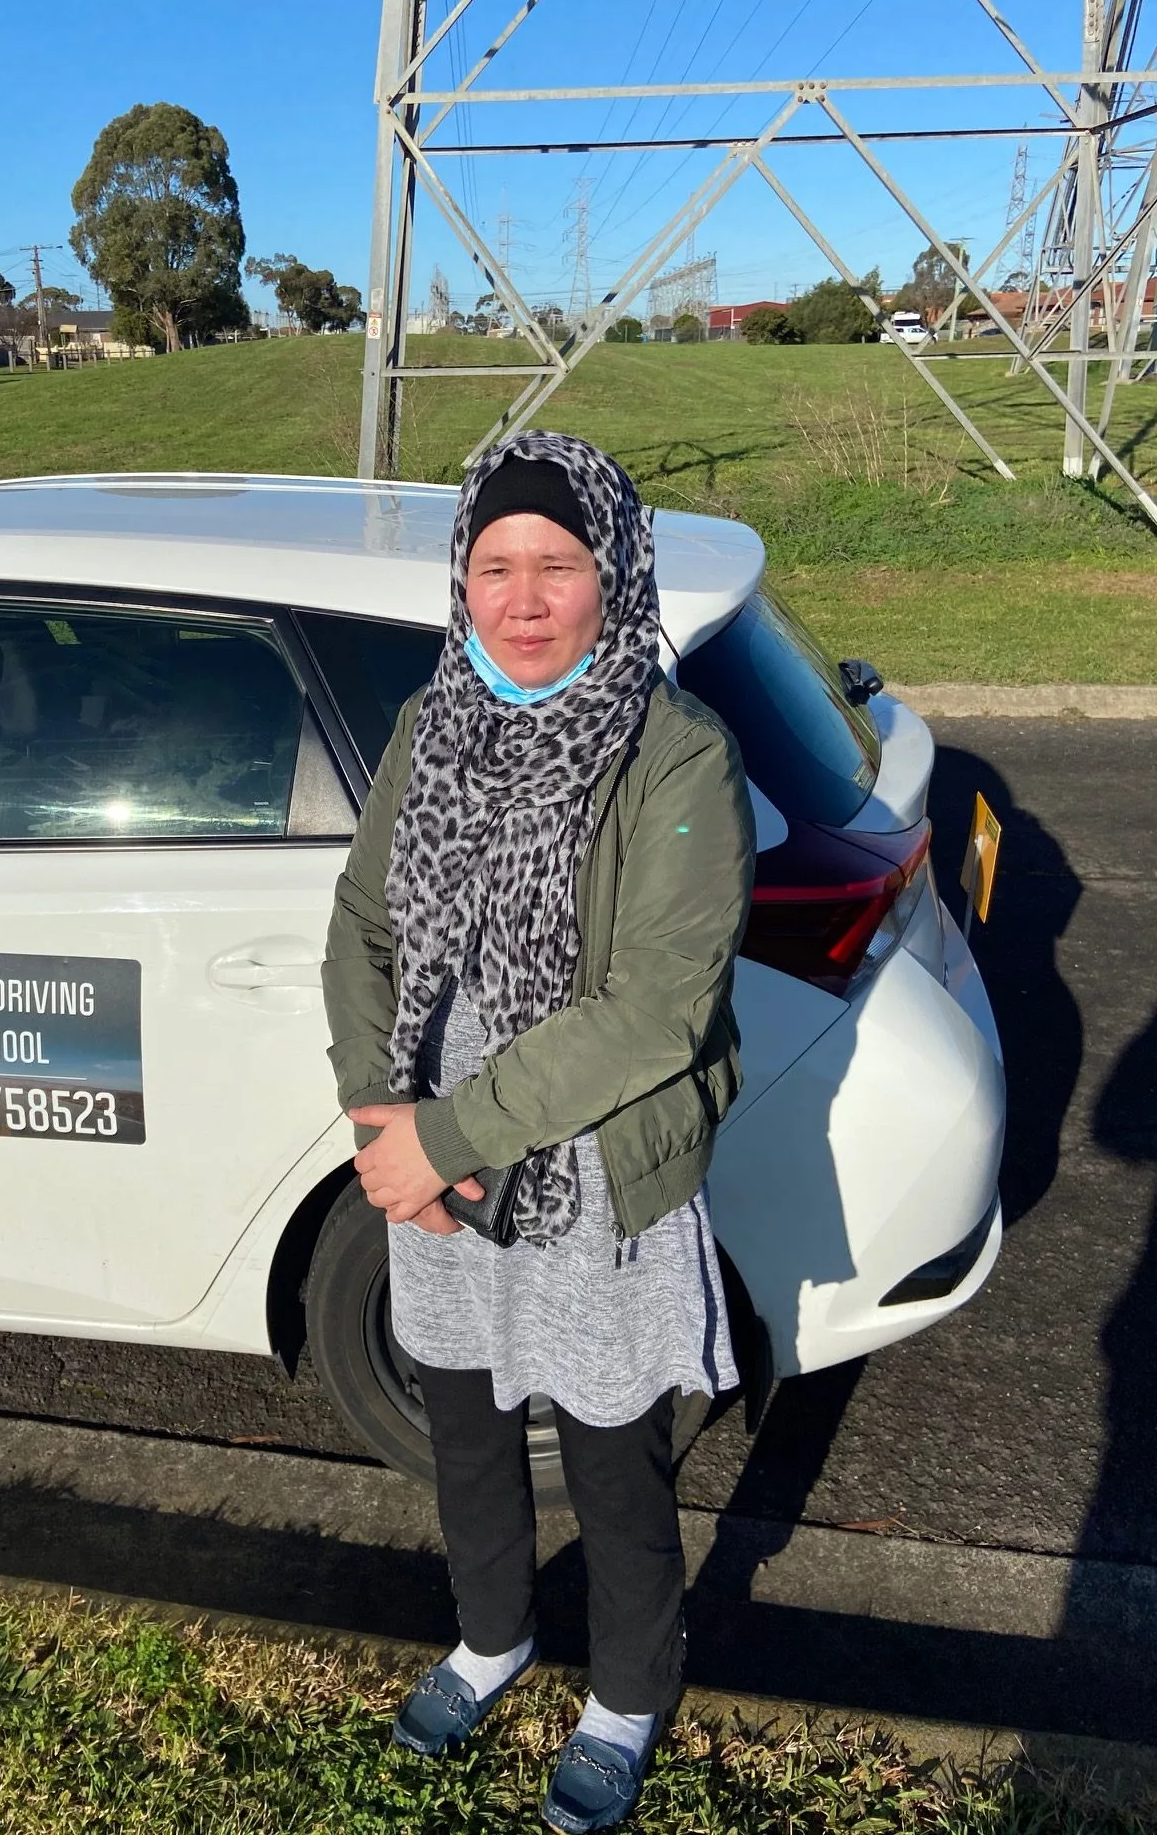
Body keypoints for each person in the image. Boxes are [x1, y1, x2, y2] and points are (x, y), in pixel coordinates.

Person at [321, 430, 755, 1833]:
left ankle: (627, 1694)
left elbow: (656, 1013)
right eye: (495, 564)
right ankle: (490, 1637)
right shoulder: (432, 719)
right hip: (432, 1154)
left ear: (613, 575)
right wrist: (381, 1110)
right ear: (462, 575)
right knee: (463, 1423)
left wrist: (447, 1134)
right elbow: (365, 922)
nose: (522, 600)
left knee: (615, 1459)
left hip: (591, 1171)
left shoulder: (678, 755)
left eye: (557, 565)